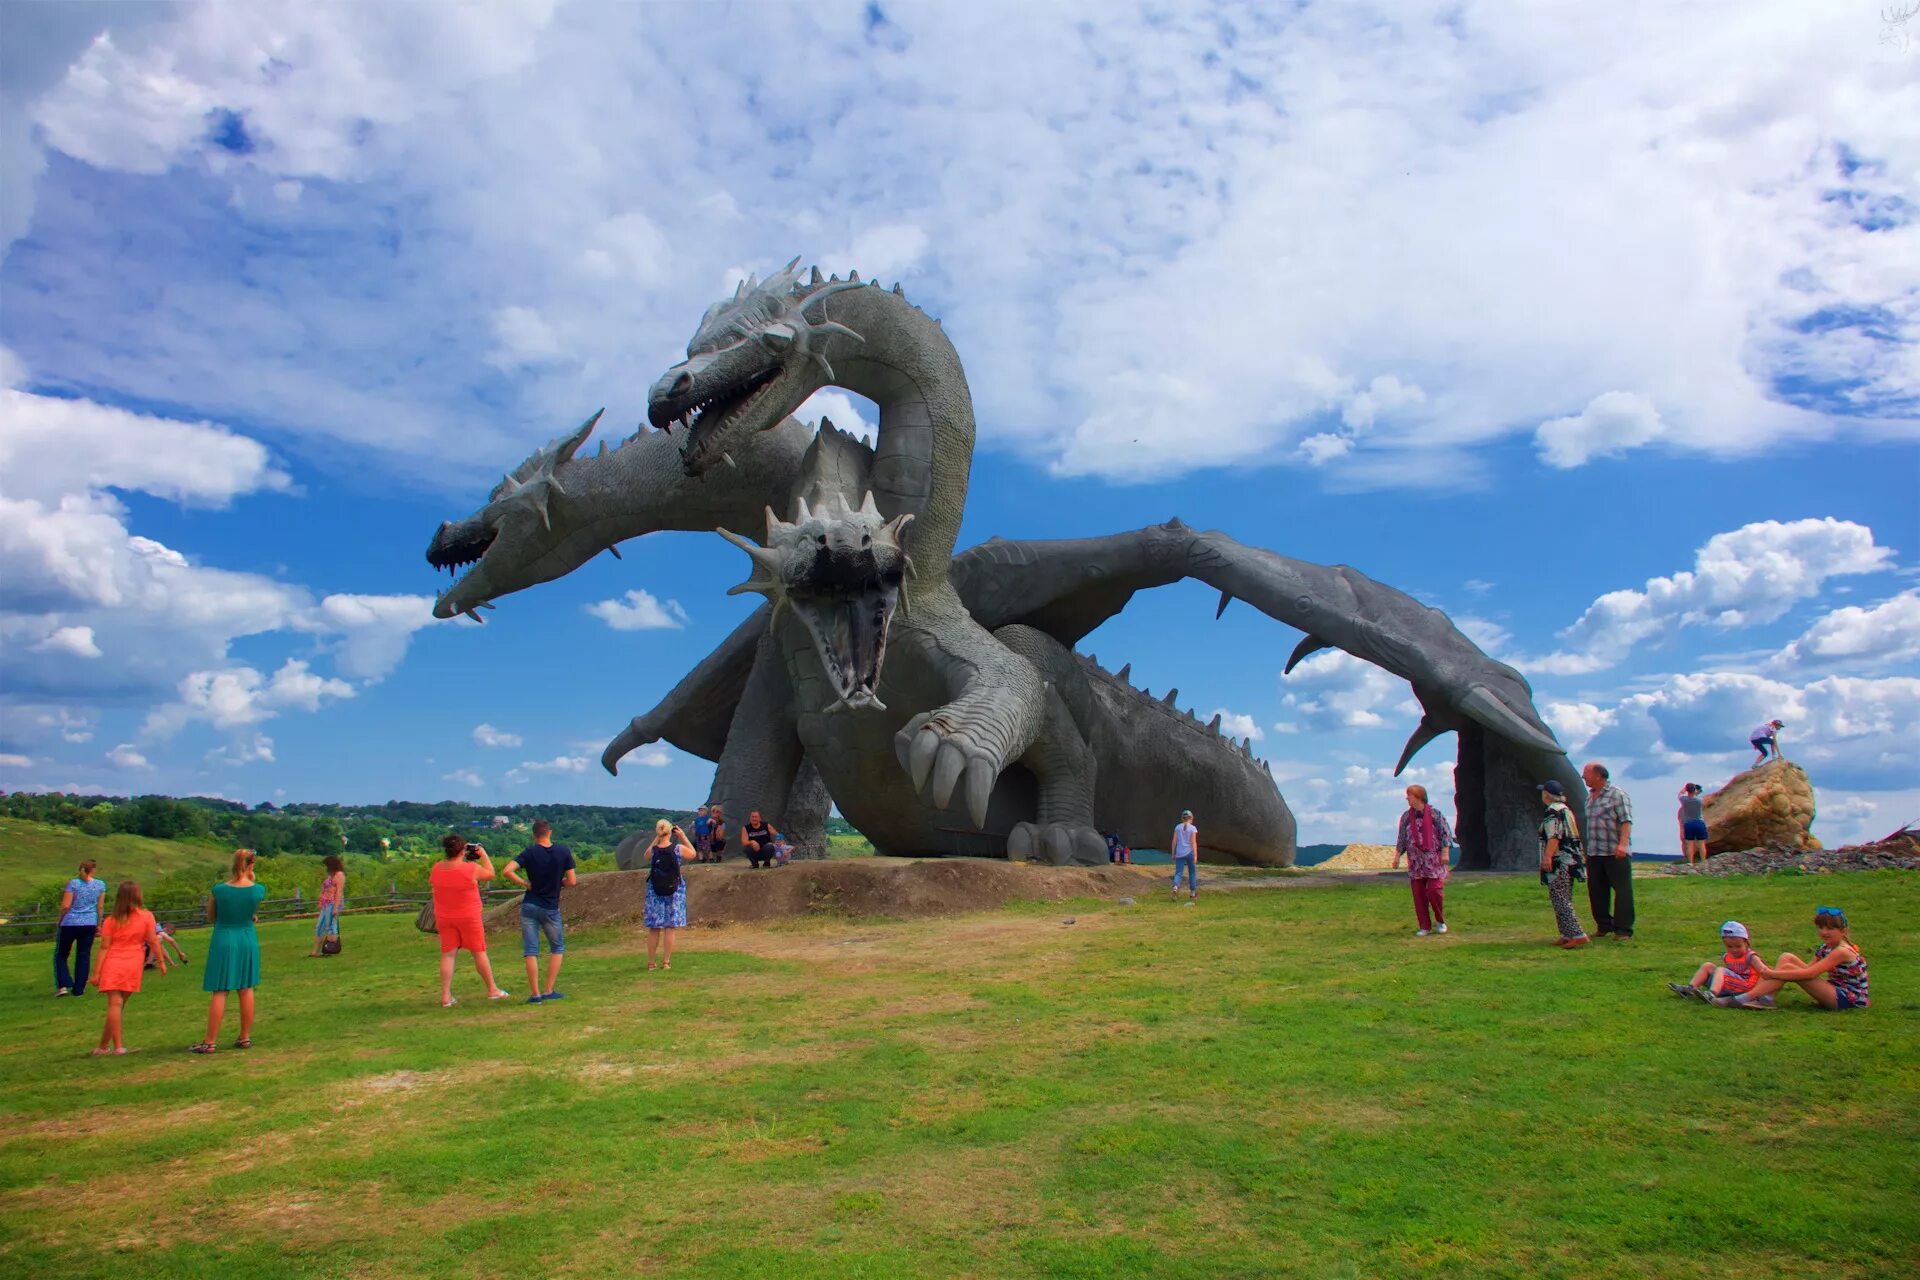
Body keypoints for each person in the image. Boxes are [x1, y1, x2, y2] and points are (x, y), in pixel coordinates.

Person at [192, 850, 267, 1053]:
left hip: (224, 937)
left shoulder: (219, 890)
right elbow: (250, 912)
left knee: (221, 990)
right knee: (246, 988)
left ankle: (210, 1041)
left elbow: (211, 916)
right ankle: (244, 1037)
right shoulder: (258, 890)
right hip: (246, 938)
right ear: (251, 865)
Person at [430, 833, 510, 1007]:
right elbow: (490, 874)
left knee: (448, 954)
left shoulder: (437, 868)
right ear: (461, 851)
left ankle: (445, 996)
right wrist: (483, 854)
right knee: (478, 952)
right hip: (468, 916)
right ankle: (492, 989)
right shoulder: (470, 868)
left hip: (444, 916)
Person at [1737, 906, 1869, 1011]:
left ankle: (1745, 998)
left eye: (1830, 928)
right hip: (1835, 989)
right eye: (1820, 927)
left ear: (1843, 931)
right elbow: (1809, 968)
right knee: (1786, 957)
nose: (1824, 932)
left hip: (1849, 999)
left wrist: (1771, 974)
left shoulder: (1841, 951)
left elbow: (1810, 973)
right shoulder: (1826, 947)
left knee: (1788, 968)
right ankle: (1767, 998)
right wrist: (1778, 974)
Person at [502, 819, 576, 1003]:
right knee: (557, 947)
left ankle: (535, 994)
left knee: (531, 950)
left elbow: (507, 870)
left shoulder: (530, 852)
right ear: (549, 832)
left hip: (530, 904)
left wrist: (525, 883)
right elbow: (572, 881)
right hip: (550, 906)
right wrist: (560, 884)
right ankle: (548, 990)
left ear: (534, 836)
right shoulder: (563, 851)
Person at [88, 880, 165, 1055]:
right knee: (118, 1006)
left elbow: (104, 947)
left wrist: (96, 973)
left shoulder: (111, 920)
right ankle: (106, 1046)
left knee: (115, 1005)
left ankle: (111, 1046)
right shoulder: (147, 916)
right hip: (133, 963)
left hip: (113, 963)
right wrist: (160, 962)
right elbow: (153, 940)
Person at [1582, 762, 1634, 940]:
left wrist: (1623, 844)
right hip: (1595, 852)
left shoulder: (1617, 795)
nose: (1583, 777)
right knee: (1596, 890)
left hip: (1614, 852)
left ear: (1599, 775)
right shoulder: (1589, 798)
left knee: (1622, 890)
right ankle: (1604, 925)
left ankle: (1623, 929)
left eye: (1586, 773)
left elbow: (1626, 821)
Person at [1393, 785, 1453, 936]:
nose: (1407, 798)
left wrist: (1445, 853)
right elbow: (1402, 838)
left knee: (1434, 891)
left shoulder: (1434, 813)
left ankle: (1440, 920)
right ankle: (1424, 926)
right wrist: (1396, 857)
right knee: (1418, 895)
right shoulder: (1406, 817)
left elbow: (1445, 833)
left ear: (1418, 796)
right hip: (1415, 862)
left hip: (1433, 861)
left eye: (1409, 795)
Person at [1538, 781, 1589, 948]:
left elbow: (1554, 835)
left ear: (1547, 794)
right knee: (1563, 896)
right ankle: (1566, 933)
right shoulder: (1566, 810)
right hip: (1571, 859)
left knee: (1560, 897)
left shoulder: (1553, 811)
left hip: (1559, 860)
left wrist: (1547, 857)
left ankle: (1577, 933)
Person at [1669, 921, 1762, 1005]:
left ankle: (1712, 994)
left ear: (1746, 942)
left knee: (1720, 970)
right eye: (1730, 946)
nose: (1734, 950)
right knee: (1707, 966)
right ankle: (1690, 989)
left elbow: (1763, 971)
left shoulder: (1751, 957)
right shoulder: (1727, 956)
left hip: (1746, 987)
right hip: (1733, 985)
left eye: (1738, 946)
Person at [643, 819, 693, 970]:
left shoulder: (653, 851)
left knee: (654, 927)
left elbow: (646, 856)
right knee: (670, 927)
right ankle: (666, 962)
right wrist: (683, 836)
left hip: (655, 891)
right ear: (670, 831)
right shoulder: (677, 849)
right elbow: (693, 853)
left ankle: (651, 963)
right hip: (674, 890)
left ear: (658, 831)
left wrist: (656, 838)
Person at [55, 859, 107, 997]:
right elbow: (100, 906)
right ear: (93, 870)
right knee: (83, 956)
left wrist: (60, 920)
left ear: (80, 869)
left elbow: (66, 906)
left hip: (71, 922)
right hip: (89, 922)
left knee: (61, 954)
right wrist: (99, 924)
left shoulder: (73, 884)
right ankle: (79, 989)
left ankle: (63, 984)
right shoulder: (100, 885)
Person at [308, 854, 346, 957]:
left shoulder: (339, 875)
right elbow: (324, 889)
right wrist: (321, 901)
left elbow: (339, 892)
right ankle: (315, 951)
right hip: (325, 903)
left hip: (333, 903)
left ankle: (330, 948)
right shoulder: (331, 875)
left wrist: (336, 907)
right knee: (319, 926)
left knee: (331, 926)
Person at [1677, 783, 1710, 867]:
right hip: (1699, 823)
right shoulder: (1699, 800)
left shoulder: (1683, 800)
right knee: (1701, 844)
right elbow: (1696, 795)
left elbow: (1680, 794)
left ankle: (1691, 862)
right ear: (1695, 790)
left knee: (1689, 844)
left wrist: (1684, 788)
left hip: (1688, 823)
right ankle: (1703, 862)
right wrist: (1696, 791)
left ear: (1687, 790)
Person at [1171, 809, 1199, 904]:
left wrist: (1173, 853)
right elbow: (1193, 842)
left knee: (1178, 872)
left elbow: (1174, 841)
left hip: (1179, 853)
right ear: (1191, 818)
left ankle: (1175, 887)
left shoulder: (1177, 827)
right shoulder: (1193, 828)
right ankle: (1192, 892)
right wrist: (1195, 855)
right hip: (1190, 853)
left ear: (1182, 818)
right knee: (1192, 872)